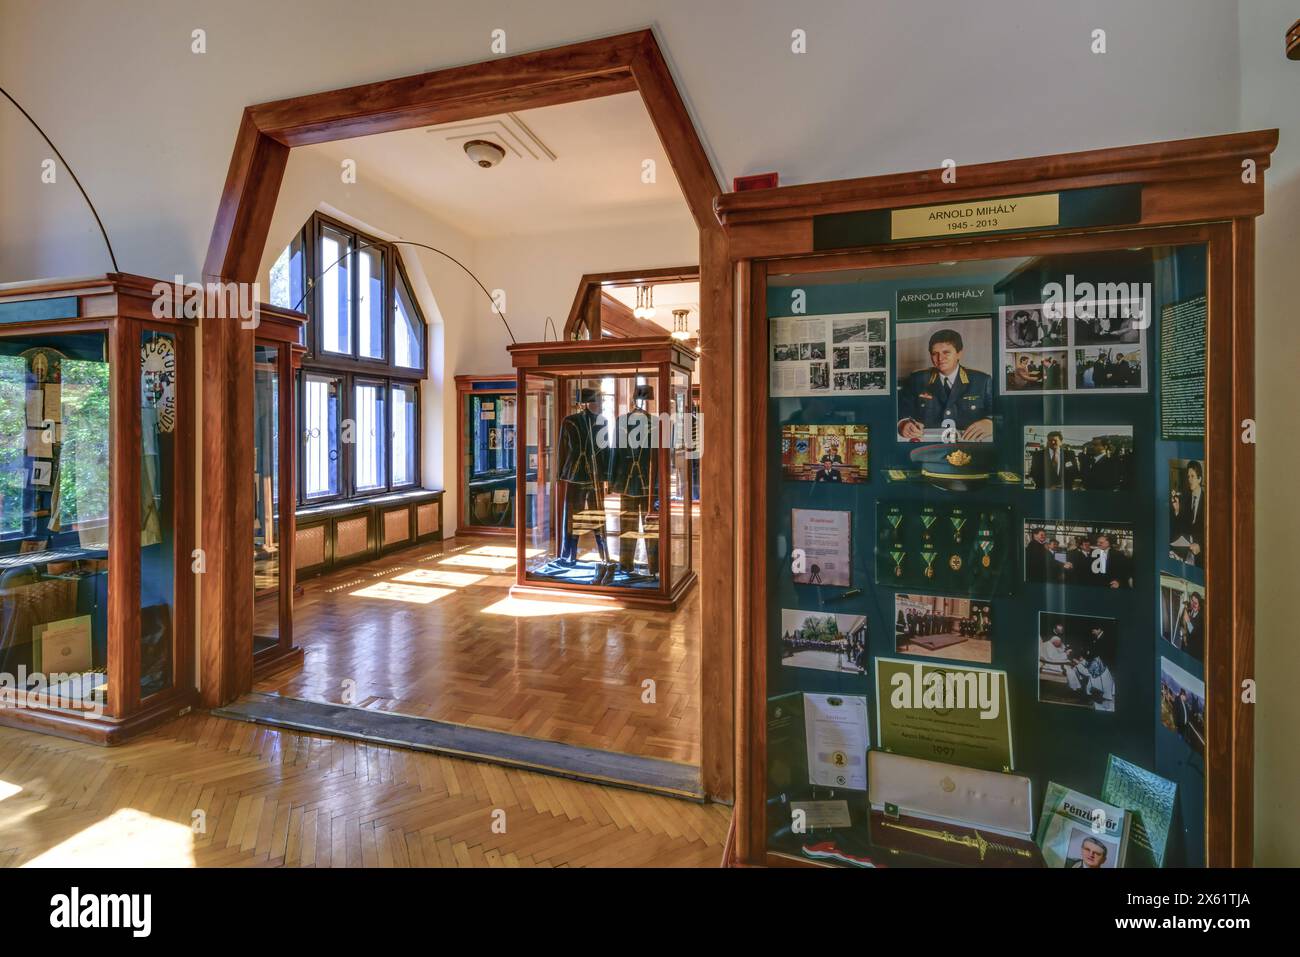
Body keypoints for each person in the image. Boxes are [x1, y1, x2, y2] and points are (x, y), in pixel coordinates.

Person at [897, 329, 994, 441]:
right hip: (928, 445)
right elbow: (901, 411)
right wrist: (904, 423)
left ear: (959, 353)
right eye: (935, 354)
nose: (940, 358)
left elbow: (999, 412)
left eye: (946, 352)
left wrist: (991, 422)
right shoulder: (917, 379)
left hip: (969, 445)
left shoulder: (981, 380)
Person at [556, 387, 612, 580]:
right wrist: (606, 477)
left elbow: (563, 451)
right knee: (596, 516)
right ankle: (604, 555)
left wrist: (560, 473)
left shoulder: (570, 420)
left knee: (572, 517)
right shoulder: (597, 421)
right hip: (593, 474)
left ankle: (569, 555)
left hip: (574, 474)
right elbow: (605, 452)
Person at [607, 384, 657, 578]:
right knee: (650, 527)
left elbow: (614, 454)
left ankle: (626, 566)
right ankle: (654, 567)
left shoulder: (622, 421)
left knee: (629, 527)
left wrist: (612, 481)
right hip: (648, 484)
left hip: (627, 483)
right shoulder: (656, 422)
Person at [1170, 460, 1206, 566]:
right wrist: (1177, 510)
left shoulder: (1208, 502)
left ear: (1199, 479)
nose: (1189, 479)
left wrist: (1201, 546)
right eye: (1188, 476)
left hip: (1202, 558)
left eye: (1192, 476)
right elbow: (1180, 528)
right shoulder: (1185, 500)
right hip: (1186, 556)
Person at [1177, 591, 1204, 660]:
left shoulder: (1201, 617)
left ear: (1199, 605)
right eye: (1192, 601)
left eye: (1196, 603)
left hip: (1194, 651)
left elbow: (1193, 632)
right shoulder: (1188, 609)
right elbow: (1181, 623)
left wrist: (1188, 621)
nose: (1193, 605)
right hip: (1185, 646)